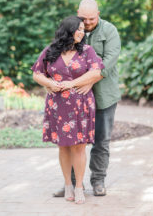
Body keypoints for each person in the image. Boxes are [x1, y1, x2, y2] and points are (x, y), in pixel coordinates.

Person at [31, 16, 104, 204]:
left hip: (81, 104)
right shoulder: (50, 51)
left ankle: (79, 187)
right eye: (78, 29)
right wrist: (49, 83)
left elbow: (96, 72)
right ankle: (68, 185)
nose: (82, 32)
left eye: (83, 29)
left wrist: (72, 83)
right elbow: (37, 73)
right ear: (67, 30)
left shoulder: (87, 51)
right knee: (63, 146)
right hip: (57, 105)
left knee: (79, 147)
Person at [54, 0, 121, 197]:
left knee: (101, 140)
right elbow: (57, 56)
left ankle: (98, 180)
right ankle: (73, 184)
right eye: (84, 18)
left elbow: (108, 63)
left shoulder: (110, 31)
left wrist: (90, 81)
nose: (88, 22)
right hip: (75, 99)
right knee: (73, 141)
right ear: (77, 13)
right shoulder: (71, 30)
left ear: (98, 14)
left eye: (92, 18)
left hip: (104, 96)